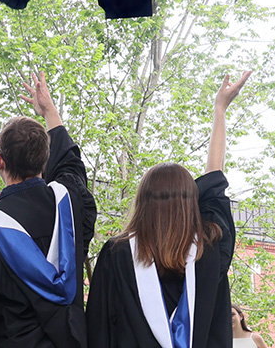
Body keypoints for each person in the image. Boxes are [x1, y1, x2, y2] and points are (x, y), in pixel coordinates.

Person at [86, 72, 251, 348]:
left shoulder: (117, 255)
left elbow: (98, 332)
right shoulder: (210, 251)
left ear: (142, 204)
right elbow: (214, 179)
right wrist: (219, 110)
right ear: (191, 204)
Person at [0, 72, 98, 348]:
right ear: (45, 160)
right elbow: (71, 166)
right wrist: (49, 112)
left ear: (0, 161)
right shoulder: (71, 207)